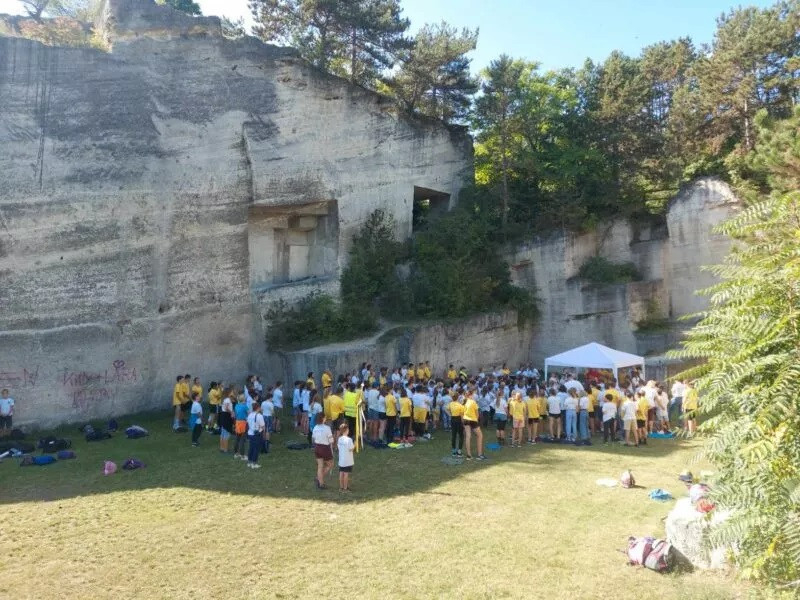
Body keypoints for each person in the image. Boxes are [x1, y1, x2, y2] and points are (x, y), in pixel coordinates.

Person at [311, 414, 334, 489]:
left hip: (317, 447)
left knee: (320, 466)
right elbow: (331, 440)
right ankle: (319, 479)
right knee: (330, 465)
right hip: (325, 448)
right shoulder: (327, 428)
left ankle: (321, 483)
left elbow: (313, 439)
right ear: (323, 419)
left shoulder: (315, 427)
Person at [463, 390, 487, 460]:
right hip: (473, 420)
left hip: (466, 419)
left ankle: (469, 455)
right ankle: (479, 455)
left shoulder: (464, 401)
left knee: (468, 436)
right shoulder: (473, 402)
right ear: (471, 395)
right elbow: (477, 413)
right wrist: (477, 420)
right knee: (480, 435)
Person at [246, 402, 266, 469]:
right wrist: (264, 434)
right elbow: (263, 426)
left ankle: (249, 462)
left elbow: (248, 424)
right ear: (258, 408)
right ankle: (254, 463)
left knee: (251, 448)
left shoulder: (249, 415)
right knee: (256, 449)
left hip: (250, 433)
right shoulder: (259, 416)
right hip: (257, 434)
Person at [337, 423, 355, 492]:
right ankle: (345, 488)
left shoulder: (339, 439)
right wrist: (355, 444)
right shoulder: (349, 440)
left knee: (341, 473)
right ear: (347, 430)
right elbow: (351, 449)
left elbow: (339, 447)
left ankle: (341, 487)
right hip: (347, 460)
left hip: (341, 460)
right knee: (346, 474)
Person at [233, 393, 249, 460]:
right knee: (242, 439)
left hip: (237, 422)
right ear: (244, 399)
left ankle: (236, 454)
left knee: (237, 438)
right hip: (243, 423)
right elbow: (249, 413)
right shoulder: (245, 406)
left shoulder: (236, 406)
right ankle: (242, 455)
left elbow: (235, 414)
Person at [218, 389, 234, 453]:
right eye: (232, 392)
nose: (232, 392)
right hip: (226, 416)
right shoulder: (228, 400)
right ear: (229, 393)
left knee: (223, 433)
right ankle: (225, 449)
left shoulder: (225, 399)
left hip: (224, 415)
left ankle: (222, 448)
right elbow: (226, 408)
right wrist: (231, 412)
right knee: (226, 433)